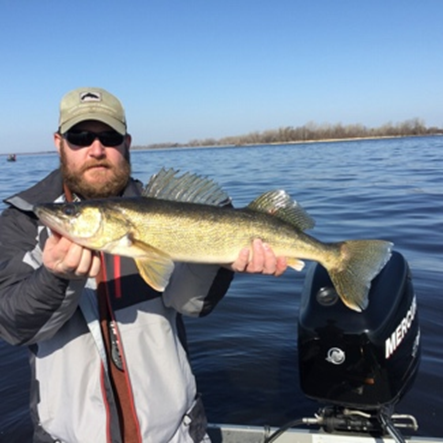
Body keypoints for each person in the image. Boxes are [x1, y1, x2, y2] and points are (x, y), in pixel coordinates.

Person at [0, 87, 287, 443]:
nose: (96, 149)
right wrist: (55, 277)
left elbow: (191, 304)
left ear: (127, 142)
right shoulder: (23, 222)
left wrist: (222, 261)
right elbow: (12, 326)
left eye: (109, 136)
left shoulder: (159, 202)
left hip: (174, 434)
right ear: (59, 142)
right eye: (80, 137)